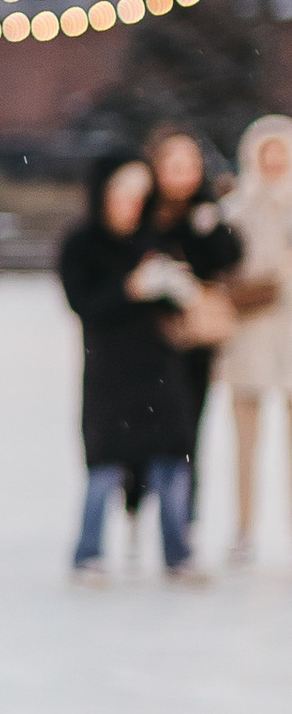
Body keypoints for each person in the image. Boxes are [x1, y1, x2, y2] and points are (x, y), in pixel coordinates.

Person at [57, 153, 207, 583]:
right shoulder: (81, 244)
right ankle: (89, 553)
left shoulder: (154, 239)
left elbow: (216, 260)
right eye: (122, 194)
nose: (130, 205)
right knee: (105, 463)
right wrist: (130, 288)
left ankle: (177, 552)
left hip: (160, 367)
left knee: (172, 459)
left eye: (139, 196)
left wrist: (177, 285)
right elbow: (84, 305)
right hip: (109, 371)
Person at [139, 123, 240, 514]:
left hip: (194, 344)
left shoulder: (205, 211)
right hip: (147, 341)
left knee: (187, 433)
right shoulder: (142, 213)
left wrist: (209, 224)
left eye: (190, 162)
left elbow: (228, 258)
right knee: (141, 429)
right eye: (174, 162)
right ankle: (137, 505)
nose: (183, 171)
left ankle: (183, 519)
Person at [218, 115, 292, 564]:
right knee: (244, 445)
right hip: (246, 339)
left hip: (289, 337)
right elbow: (222, 269)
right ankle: (244, 527)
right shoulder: (234, 209)